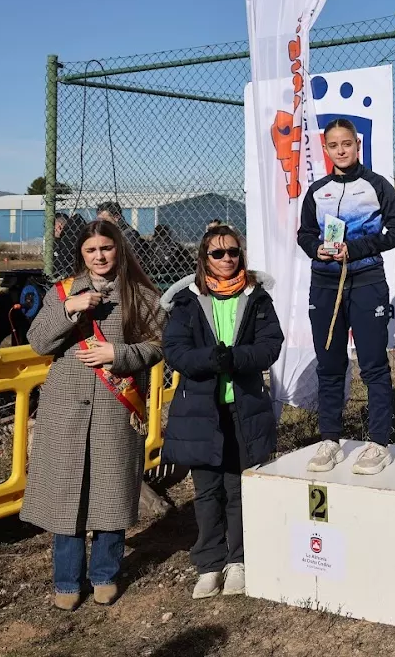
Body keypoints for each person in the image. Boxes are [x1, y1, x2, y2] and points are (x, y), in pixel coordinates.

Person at [21, 220, 164, 610]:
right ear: (81, 254)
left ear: (118, 249)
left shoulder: (141, 295)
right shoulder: (61, 293)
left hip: (115, 408)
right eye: (91, 250)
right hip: (65, 407)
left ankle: (105, 574)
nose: (99, 256)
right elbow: (37, 342)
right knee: (66, 495)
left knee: (110, 492)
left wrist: (118, 354)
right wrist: (69, 309)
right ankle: (67, 580)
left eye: (106, 248)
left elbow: (156, 345)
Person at [161, 225, 282, 599]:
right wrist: (208, 360)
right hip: (201, 410)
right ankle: (209, 564)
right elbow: (175, 350)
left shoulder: (257, 298)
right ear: (204, 258)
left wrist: (237, 358)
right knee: (207, 490)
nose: (227, 258)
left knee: (237, 487)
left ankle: (238, 560)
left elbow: (270, 345)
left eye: (233, 251)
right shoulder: (187, 302)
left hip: (243, 408)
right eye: (218, 253)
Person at [296, 118, 395, 474]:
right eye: (334, 145)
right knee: (330, 365)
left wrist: (357, 248)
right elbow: (305, 234)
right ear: (326, 149)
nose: (341, 150)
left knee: (373, 365)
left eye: (347, 144)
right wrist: (317, 249)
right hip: (325, 285)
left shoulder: (376, 185)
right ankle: (330, 439)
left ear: (357, 145)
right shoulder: (318, 191)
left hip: (366, 282)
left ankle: (378, 443)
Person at [52, 213, 88, 280]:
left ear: (58, 226)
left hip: (73, 278)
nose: (51, 233)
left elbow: (60, 264)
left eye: (52, 229)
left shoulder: (69, 238)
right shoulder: (76, 232)